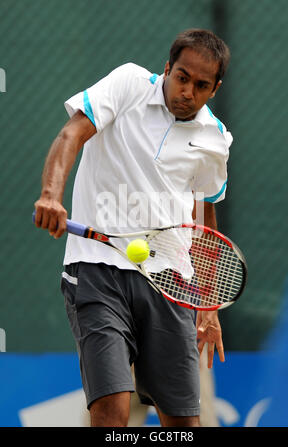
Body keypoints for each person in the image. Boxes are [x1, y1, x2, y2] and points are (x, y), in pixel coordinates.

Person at [34, 28, 232, 427]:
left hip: (169, 282)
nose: (188, 92)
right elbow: (71, 134)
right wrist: (51, 195)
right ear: (167, 68)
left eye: (201, 85)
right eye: (181, 77)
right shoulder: (127, 84)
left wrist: (208, 305)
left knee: (184, 424)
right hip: (97, 269)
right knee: (111, 412)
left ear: (215, 88)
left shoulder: (215, 140)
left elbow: (204, 224)